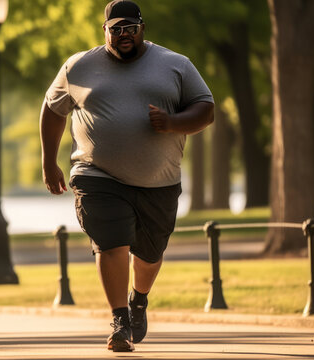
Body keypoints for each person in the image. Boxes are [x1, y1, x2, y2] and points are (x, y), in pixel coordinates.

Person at [39, 0, 214, 352]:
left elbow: (205, 109)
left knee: (149, 255)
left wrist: (174, 123)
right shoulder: (78, 66)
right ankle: (119, 319)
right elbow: (53, 108)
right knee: (111, 240)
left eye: (129, 28)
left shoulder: (175, 65)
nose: (123, 35)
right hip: (95, 173)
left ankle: (139, 299)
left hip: (158, 181)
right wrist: (49, 160)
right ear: (104, 31)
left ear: (142, 28)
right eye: (115, 29)